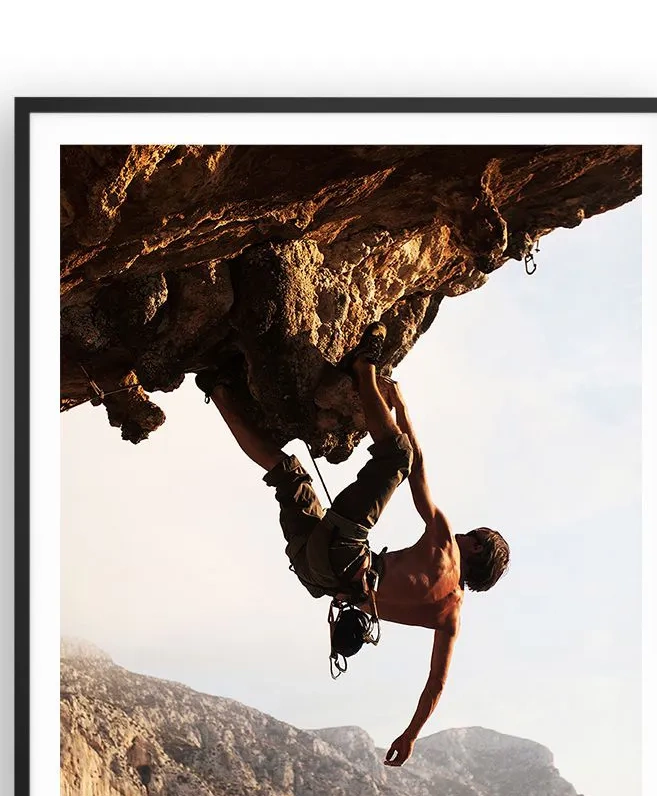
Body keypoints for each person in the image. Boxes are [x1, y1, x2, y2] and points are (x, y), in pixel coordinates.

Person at [197, 325, 510, 767]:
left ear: (477, 550)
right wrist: (410, 735)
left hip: (346, 554)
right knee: (288, 473)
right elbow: (435, 686)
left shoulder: (447, 547)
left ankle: (364, 365)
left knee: (395, 457)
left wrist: (400, 406)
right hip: (317, 576)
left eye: (473, 536)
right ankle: (219, 389)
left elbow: (415, 466)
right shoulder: (449, 619)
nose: (465, 535)